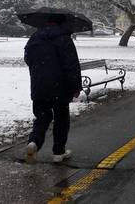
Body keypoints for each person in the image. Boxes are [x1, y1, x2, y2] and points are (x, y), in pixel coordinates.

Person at [24, 14, 82, 163]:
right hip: (60, 87)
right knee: (61, 118)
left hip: (39, 86)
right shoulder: (64, 39)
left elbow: (28, 60)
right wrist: (76, 87)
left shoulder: (34, 38)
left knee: (42, 116)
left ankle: (34, 142)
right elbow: (71, 66)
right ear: (61, 23)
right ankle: (58, 152)